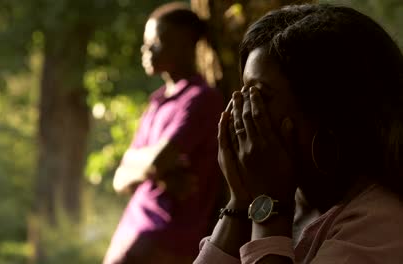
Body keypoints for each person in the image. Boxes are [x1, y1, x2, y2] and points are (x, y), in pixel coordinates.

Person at [194, 3, 403, 264]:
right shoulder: (291, 197)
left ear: (326, 111)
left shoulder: (381, 223)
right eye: (243, 92)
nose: (240, 111)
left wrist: (270, 207)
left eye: (260, 96)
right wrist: (240, 200)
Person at [103, 2, 223, 264]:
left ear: (185, 44)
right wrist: (155, 168)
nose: (145, 50)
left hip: (166, 238)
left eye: (155, 42)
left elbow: (157, 160)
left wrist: (148, 164)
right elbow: (120, 178)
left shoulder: (201, 100)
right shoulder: (157, 101)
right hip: (132, 228)